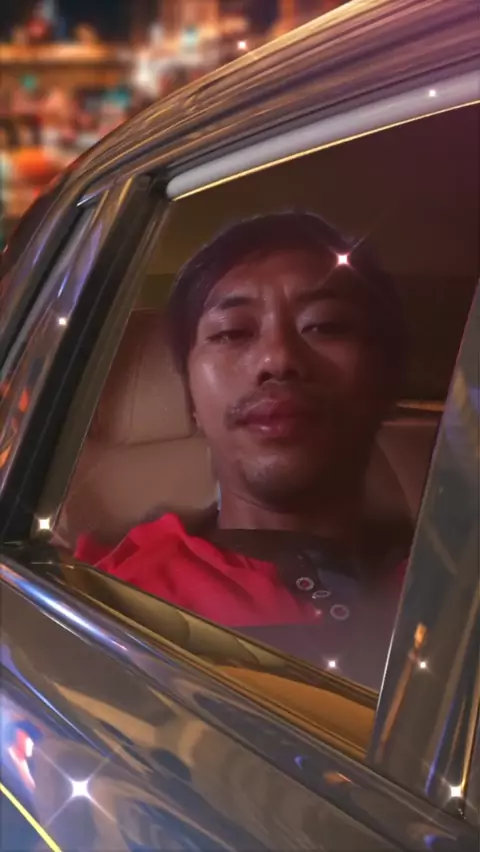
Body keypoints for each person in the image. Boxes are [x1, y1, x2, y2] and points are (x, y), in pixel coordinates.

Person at [75, 212, 408, 633]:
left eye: (324, 325)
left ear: (384, 381)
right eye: (232, 332)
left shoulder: (453, 581)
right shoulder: (112, 605)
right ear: (191, 399)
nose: (278, 359)